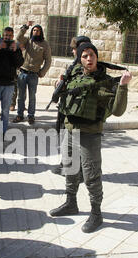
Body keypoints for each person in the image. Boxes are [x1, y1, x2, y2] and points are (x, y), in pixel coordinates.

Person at [49, 43, 132, 233]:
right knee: (70, 169)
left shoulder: (106, 81)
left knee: (91, 174)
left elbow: (118, 111)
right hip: (70, 130)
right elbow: (62, 99)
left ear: (96, 57)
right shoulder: (74, 76)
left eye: (92, 55)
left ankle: (96, 213)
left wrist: (123, 87)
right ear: (79, 58)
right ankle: (71, 203)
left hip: (90, 134)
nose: (89, 58)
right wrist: (58, 85)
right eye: (85, 55)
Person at [52, 36, 92, 176]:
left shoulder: (87, 65)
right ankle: (66, 163)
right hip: (66, 107)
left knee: (76, 140)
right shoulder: (74, 64)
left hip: (77, 110)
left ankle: (78, 170)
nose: (73, 52)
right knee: (65, 135)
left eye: (75, 49)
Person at [0, 27, 24, 137]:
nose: (7, 37)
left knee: (5, 111)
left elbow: (19, 63)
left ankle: (3, 132)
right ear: (3, 35)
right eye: (6, 35)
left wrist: (15, 51)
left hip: (9, 84)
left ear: (12, 36)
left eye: (9, 35)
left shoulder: (15, 47)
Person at [13, 21, 52, 125]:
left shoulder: (45, 44)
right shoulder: (27, 41)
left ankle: (31, 116)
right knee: (21, 96)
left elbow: (48, 60)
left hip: (34, 74)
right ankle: (20, 115)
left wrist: (42, 72)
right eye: (34, 30)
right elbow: (18, 38)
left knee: (32, 96)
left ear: (41, 32)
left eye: (38, 30)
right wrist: (25, 27)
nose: (36, 32)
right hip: (23, 72)